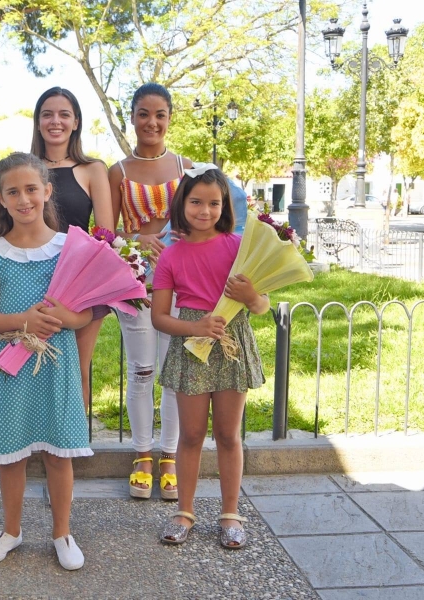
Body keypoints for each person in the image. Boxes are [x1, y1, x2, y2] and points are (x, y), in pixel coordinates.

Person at [0, 87, 114, 507]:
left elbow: (104, 233)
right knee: (18, 382)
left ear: (76, 120)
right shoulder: (21, 170)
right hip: (20, 276)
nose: (55, 120)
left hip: (76, 282)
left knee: (70, 377)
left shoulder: (92, 168)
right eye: (47, 113)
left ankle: (61, 462)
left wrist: (82, 287)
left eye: (64, 113)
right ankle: (3, 462)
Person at [0, 152, 92, 570]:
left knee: (59, 454)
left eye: (31, 189)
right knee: (11, 455)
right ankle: (11, 530)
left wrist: (60, 317)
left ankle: (62, 532)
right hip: (13, 366)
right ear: (2, 199)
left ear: (46, 191)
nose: (23, 199)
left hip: (56, 365)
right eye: (13, 192)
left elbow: (85, 314)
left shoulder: (70, 246)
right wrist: (23, 320)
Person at [150, 164, 268, 549]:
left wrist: (250, 295)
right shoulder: (171, 257)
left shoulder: (239, 248)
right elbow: (160, 317)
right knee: (192, 435)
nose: (204, 210)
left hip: (232, 345)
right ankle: (184, 511)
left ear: (226, 206)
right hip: (191, 348)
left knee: (228, 435)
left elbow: (262, 305)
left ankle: (230, 513)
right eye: (196, 202)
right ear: (182, 204)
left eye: (214, 203)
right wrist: (196, 327)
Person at [108, 83, 191, 500]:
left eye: (159, 114)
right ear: (133, 116)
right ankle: (142, 454)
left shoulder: (186, 166)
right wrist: (135, 240)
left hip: (180, 282)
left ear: (169, 117)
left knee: (173, 373)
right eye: (143, 114)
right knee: (141, 370)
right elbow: (104, 233)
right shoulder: (117, 172)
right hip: (135, 280)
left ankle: (170, 456)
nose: (151, 122)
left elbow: (206, 222)